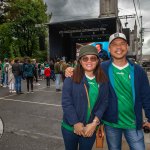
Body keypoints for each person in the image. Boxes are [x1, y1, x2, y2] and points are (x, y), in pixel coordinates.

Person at [65, 32, 150, 150]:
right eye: (114, 44)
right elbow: (86, 66)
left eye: (122, 44)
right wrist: (70, 69)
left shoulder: (138, 70)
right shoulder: (102, 68)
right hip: (111, 123)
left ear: (127, 47)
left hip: (133, 123)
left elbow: (146, 96)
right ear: (109, 48)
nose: (119, 47)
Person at [61, 45, 109, 150]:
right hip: (70, 128)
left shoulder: (103, 80)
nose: (89, 61)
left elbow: (104, 102)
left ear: (97, 61)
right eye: (85, 58)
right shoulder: (70, 78)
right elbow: (66, 102)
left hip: (90, 128)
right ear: (80, 61)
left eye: (93, 58)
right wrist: (75, 123)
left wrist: (94, 123)